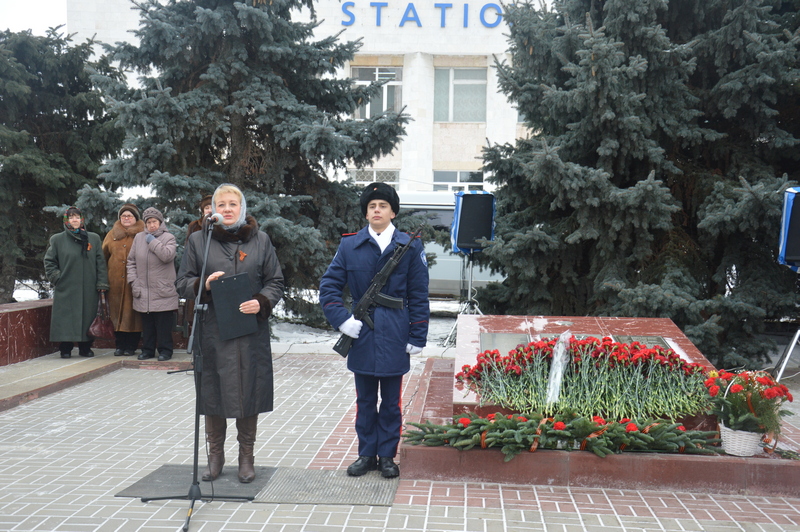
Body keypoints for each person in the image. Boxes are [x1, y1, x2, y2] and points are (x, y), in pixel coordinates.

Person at [319, 182, 430, 478]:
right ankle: (366, 454)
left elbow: (419, 294)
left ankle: (387, 456)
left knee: (391, 402)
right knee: (365, 400)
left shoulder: (410, 246)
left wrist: (417, 335)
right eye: (371, 206)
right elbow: (329, 287)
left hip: (395, 332)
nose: (377, 210)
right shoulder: (350, 245)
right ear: (366, 213)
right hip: (362, 333)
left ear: (393, 212)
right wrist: (343, 320)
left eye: (383, 205)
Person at [176, 183, 284, 484]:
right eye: (220, 204)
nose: (226, 209)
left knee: (249, 390)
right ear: (213, 209)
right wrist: (204, 285)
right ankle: (215, 456)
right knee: (213, 392)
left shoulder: (260, 239)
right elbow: (182, 282)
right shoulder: (199, 240)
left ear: (242, 208)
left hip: (250, 331)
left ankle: (246, 457)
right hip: (213, 330)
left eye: (232, 204)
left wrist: (261, 301)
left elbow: (275, 281)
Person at [44, 206, 110, 358]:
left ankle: (85, 348)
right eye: (71, 217)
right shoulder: (58, 239)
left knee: (87, 317)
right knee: (65, 318)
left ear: (82, 220)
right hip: (66, 287)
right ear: (66, 220)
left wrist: (101, 283)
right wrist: (57, 278)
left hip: (89, 287)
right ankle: (65, 348)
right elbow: (49, 261)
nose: (75, 220)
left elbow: (100, 263)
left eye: (77, 217)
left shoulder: (93, 238)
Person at [127, 207, 179, 362]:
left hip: (163, 290)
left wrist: (153, 241)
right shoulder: (138, 238)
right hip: (143, 289)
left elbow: (167, 256)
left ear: (160, 222)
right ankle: (148, 350)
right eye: (148, 222)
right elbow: (131, 262)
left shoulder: (169, 237)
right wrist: (134, 281)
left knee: (163, 325)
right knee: (147, 325)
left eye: (154, 222)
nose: (151, 225)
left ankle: (165, 350)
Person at [102, 203, 145, 356]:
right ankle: (119, 346)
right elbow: (103, 257)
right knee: (116, 315)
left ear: (136, 218)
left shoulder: (143, 234)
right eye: (123, 216)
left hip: (135, 283)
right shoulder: (111, 234)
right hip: (115, 284)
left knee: (134, 316)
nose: (126, 218)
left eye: (130, 216)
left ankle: (131, 346)